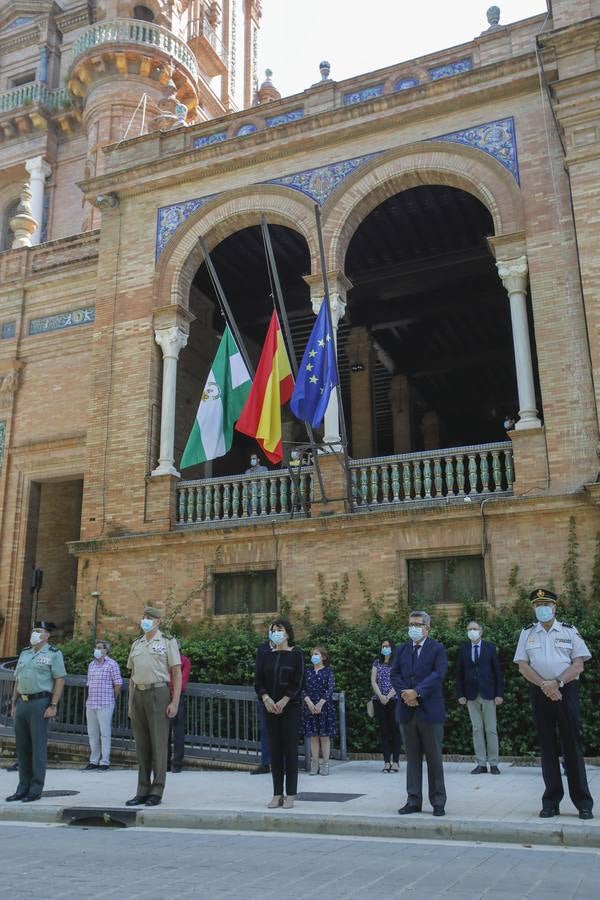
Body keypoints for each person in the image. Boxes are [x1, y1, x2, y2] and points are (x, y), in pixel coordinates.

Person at [513, 588, 594, 820]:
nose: (543, 609)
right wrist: (545, 686)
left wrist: (557, 683)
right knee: (547, 748)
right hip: (541, 693)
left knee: (572, 747)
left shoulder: (569, 631)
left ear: (555, 607)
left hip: (566, 691)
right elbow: (523, 666)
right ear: (533, 608)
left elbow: (578, 665)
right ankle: (551, 802)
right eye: (538, 605)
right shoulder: (527, 633)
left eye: (547, 604)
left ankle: (583, 803)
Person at [390, 610, 448, 817]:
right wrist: (406, 694)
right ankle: (413, 800)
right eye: (410, 624)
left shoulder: (437, 649)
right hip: (406, 710)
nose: (412, 628)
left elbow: (438, 674)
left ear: (427, 628)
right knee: (412, 758)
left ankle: (438, 801)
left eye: (417, 624)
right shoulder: (403, 649)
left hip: (430, 711)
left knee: (434, 758)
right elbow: (394, 673)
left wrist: (417, 692)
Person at [125, 605, 181, 807]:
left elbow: (176, 672)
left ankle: (157, 790)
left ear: (158, 621)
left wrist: (174, 701)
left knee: (158, 743)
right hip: (139, 693)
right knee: (141, 745)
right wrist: (130, 703)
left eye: (149, 617)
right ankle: (142, 789)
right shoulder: (137, 644)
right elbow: (132, 676)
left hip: (159, 692)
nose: (145, 620)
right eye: (143, 616)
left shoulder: (167, 641)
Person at [5, 621, 66, 803]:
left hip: (40, 703)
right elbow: (18, 679)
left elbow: (60, 680)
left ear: (47, 635)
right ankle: (22, 787)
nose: (34, 634)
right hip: (23, 703)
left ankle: (35, 788)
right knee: (22, 748)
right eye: (34, 630)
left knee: (37, 747)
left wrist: (53, 705)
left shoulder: (54, 654)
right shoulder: (25, 653)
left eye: (39, 631)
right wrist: (14, 703)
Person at [254, 618, 304, 809]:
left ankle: (291, 793)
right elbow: (258, 682)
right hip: (270, 708)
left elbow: (298, 681)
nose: (276, 632)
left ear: (288, 633)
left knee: (290, 750)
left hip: (289, 708)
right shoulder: (266, 655)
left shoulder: (296, 654)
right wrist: (266, 698)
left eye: (280, 629)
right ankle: (277, 794)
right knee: (275, 751)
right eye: (273, 629)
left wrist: (285, 700)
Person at [456, 621, 504, 774]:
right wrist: (461, 694)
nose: (472, 631)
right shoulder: (463, 649)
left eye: (475, 629)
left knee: (491, 729)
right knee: (477, 729)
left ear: (481, 631)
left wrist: (499, 694)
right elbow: (459, 673)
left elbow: (497, 672)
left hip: (488, 693)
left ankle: (494, 763)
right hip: (470, 695)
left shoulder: (490, 647)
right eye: (469, 629)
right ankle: (481, 763)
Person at [85, 640, 123, 771]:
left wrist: (113, 698)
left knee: (105, 733)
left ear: (106, 650)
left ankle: (105, 761)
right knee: (92, 733)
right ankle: (94, 760)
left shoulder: (112, 664)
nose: (97, 649)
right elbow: (89, 683)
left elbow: (118, 683)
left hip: (105, 703)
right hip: (91, 703)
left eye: (100, 647)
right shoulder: (91, 665)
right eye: (96, 647)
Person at [302, 646, 337, 775]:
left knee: (324, 737)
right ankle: (314, 763)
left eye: (316, 654)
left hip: (325, 708)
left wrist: (321, 703)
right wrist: (309, 703)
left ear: (323, 657)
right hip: (310, 708)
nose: (313, 656)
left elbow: (330, 688)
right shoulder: (307, 672)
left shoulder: (328, 671)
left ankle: (325, 764)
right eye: (312, 654)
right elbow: (302, 688)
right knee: (313, 737)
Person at [371, 638, 402, 772]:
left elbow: (399, 681)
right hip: (379, 701)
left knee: (395, 730)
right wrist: (381, 696)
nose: (385, 648)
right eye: (383, 646)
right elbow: (373, 681)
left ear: (392, 647)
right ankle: (386, 762)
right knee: (384, 731)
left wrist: (388, 696)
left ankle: (395, 762)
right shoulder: (377, 663)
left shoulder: (397, 663)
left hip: (394, 700)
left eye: (388, 646)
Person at [250, 637, 273, 775]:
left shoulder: (289, 649)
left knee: (282, 732)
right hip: (265, 696)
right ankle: (265, 763)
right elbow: (259, 674)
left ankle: (282, 763)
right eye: (273, 630)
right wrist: (264, 695)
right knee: (265, 729)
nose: (275, 633)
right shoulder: (263, 649)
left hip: (282, 697)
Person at [167, 645, 191, 773]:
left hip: (177, 695)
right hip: (165, 694)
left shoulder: (184, 661)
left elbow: (183, 680)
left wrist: (174, 694)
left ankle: (176, 764)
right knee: (165, 731)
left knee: (178, 732)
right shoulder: (166, 660)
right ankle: (165, 764)